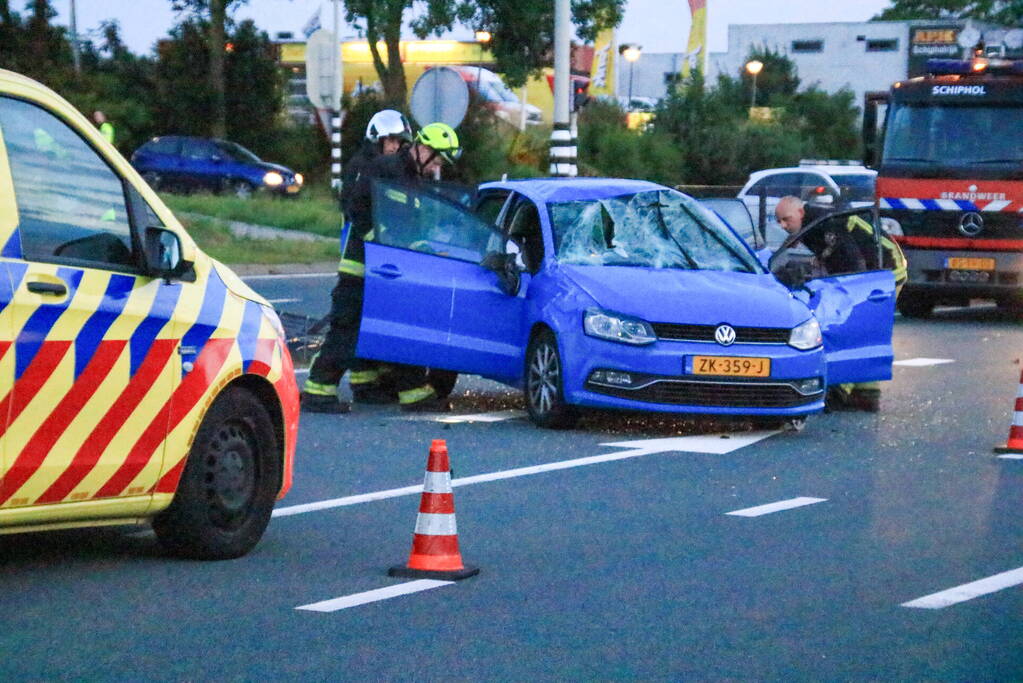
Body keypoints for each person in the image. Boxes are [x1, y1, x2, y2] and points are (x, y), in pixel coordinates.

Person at [300, 118, 461, 414]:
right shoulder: (385, 169)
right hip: (362, 267)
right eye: (437, 158)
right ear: (422, 147)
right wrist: (379, 243)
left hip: (390, 270)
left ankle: (410, 393)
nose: (437, 166)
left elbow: (405, 227)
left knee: (398, 327)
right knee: (346, 330)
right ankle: (318, 392)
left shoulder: (412, 180)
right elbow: (357, 208)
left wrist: (423, 249)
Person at [774, 196, 906, 412]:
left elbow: (852, 262)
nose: (783, 225)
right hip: (879, 267)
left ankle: (839, 391)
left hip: (886, 270)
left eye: (786, 219)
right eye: (778, 221)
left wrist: (853, 296)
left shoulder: (824, 224)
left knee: (852, 326)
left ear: (800, 212)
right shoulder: (815, 222)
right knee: (866, 331)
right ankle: (866, 394)